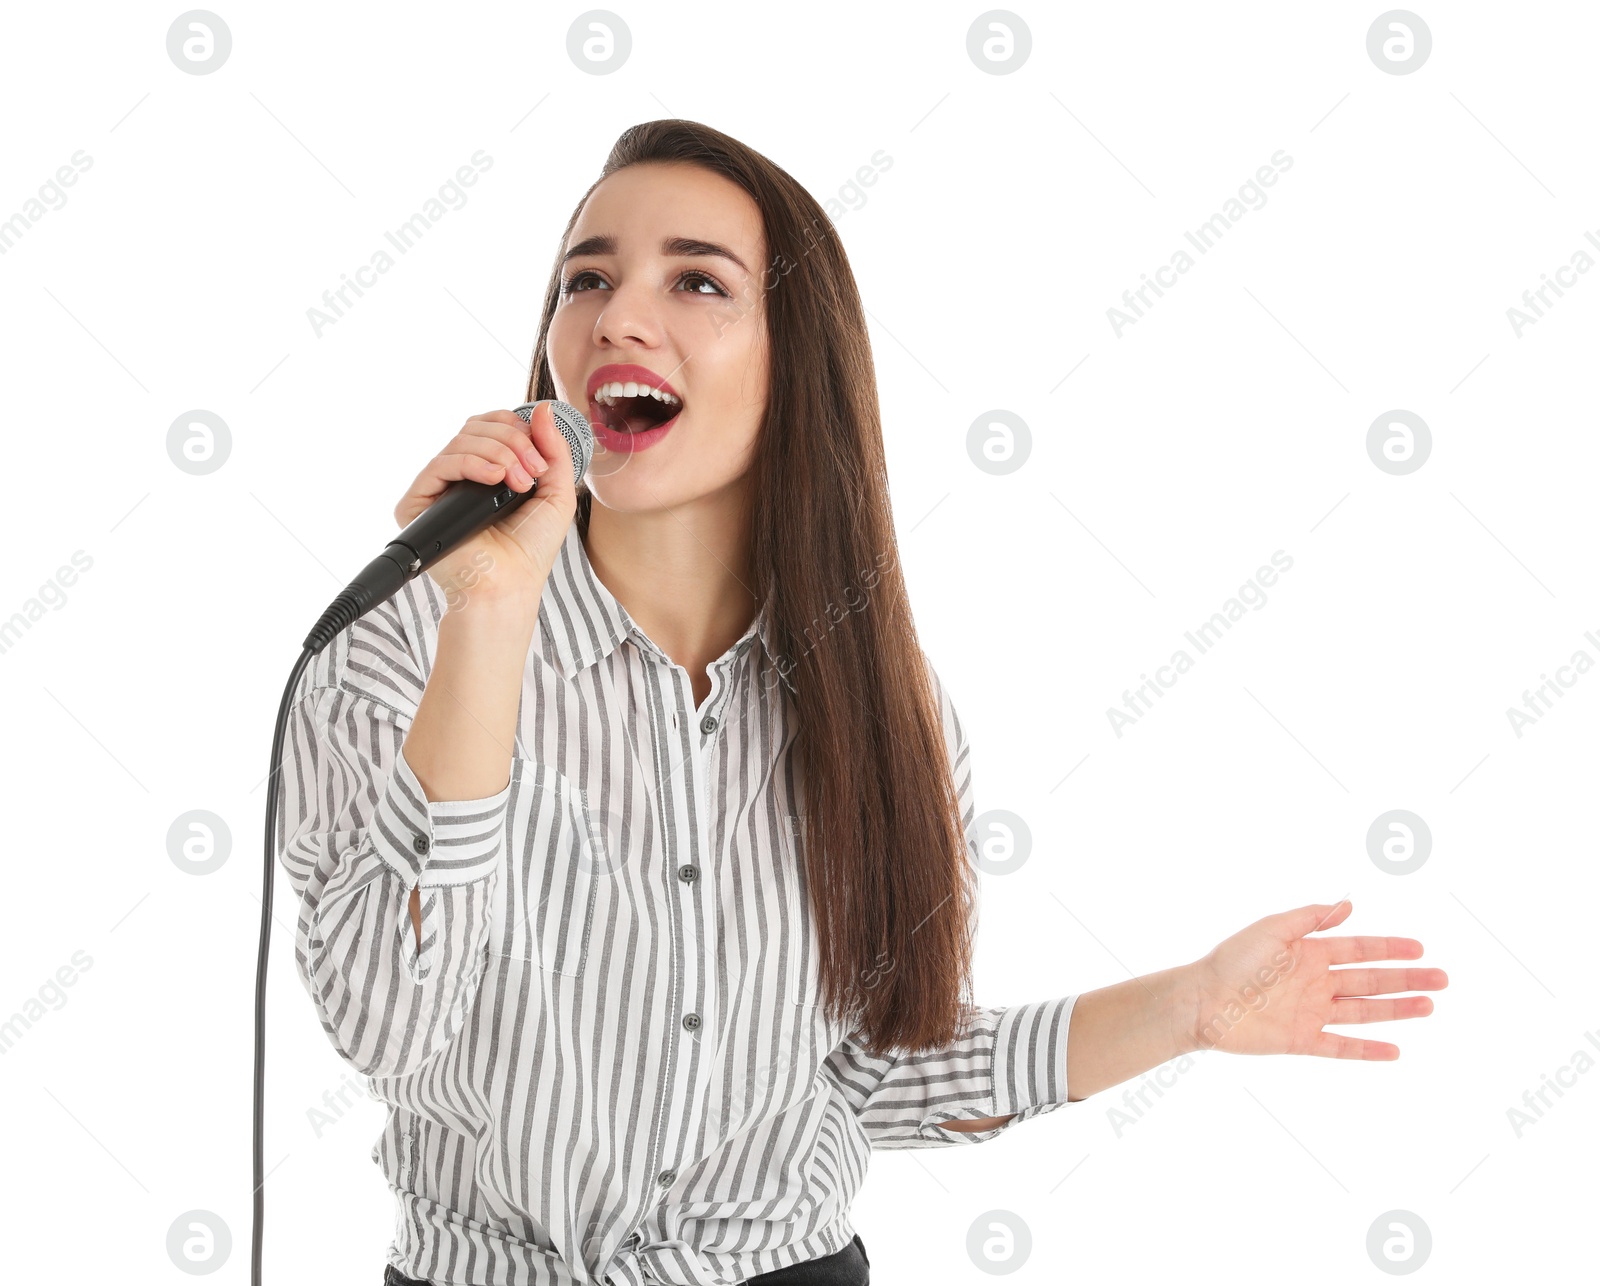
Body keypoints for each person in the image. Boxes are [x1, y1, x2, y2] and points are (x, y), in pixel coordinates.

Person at [276, 119, 1448, 1286]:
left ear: (799, 362)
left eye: (696, 279)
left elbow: (877, 1073)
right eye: (586, 277)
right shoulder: (393, 656)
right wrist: (485, 612)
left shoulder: (888, 711)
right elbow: (390, 1031)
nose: (617, 316)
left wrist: (1187, 1005)